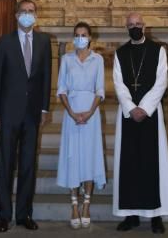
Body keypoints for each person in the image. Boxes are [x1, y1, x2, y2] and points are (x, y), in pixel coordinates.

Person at [0, 0, 52, 233]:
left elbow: (46, 77)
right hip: (7, 112)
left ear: (36, 16)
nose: (28, 14)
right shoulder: (4, 42)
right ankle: (4, 215)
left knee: (28, 165)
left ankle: (24, 214)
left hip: (33, 113)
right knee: (6, 164)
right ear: (16, 16)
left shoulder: (44, 42)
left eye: (31, 11)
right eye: (24, 11)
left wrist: (45, 108)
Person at [113, 12, 168, 234]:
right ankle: (130, 216)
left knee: (152, 162)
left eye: (138, 24)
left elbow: (162, 81)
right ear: (126, 27)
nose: (135, 27)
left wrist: (145, 108)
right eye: (131, 25)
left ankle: (156, 216)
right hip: (128, 114)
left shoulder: (158, 50)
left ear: (145, 26)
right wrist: (131, 108)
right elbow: (118, 84)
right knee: (129, 163)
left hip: (150, 113)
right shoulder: (120, 53)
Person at [57, 22, 106, 228]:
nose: (80, 38)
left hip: (91, 113)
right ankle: (74, 204)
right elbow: (61, 89)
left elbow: (100, 89)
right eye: (77, 35)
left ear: (90, 38)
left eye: (84, 35)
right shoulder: (66, 59)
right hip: (72, 113)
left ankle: (86, 204)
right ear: (73, 38)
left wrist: (89, 112)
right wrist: (72, 113)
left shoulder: (98, 60)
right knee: (73, 157)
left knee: (89, 156)